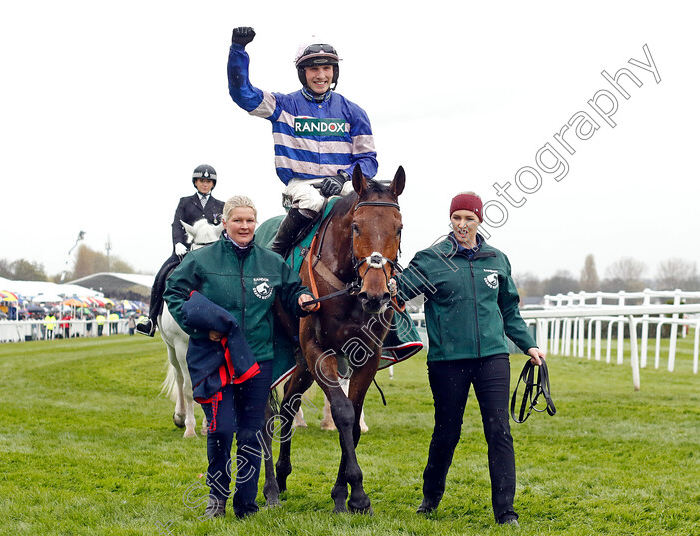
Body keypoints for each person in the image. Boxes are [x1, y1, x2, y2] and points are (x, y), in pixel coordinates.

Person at [393, 192, 546, 527]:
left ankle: (506, 512)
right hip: (448, 361)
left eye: (469, 218)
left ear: (479, 220)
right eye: (457, 218)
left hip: (493, 357)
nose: (462, 224)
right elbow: (395, 292)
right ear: (450, 220)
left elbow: (509, 310)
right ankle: (430, 497)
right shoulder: (431, 260)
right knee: (447, 432)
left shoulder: (497, 259)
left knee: (499, 430)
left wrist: (529, 345)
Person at [164, 195, 318, 519]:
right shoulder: (202, 260)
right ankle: (217, 499)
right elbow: (173, 293)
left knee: (252, 433)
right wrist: (201, 330)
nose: (245, 226)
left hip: (257, 360)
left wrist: (302, 297)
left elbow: (291, 290)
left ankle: (246, 505)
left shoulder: (269, 262)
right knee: (220, 430)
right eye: (238, 220)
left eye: (250, 220)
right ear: (225, 222)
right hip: (216, 359)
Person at [228, 27, 378, 257]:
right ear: (303, 73)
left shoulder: (354, 112)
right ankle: (276, 259)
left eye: (326, 68)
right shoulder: (282, 106)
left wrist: (343, 176)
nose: (321, 75)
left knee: (372, 203)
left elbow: (368, 160)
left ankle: (383, 269)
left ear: (334, 72)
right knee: (312, 202)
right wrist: (238, 50)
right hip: (301, 186)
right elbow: (242, 93)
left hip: (342, 183)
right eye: (313, 69)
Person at [136, 164, 226, 336]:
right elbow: (177, 224)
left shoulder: (220, 206)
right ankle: (151, 319)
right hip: (185, 251)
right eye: (202, 181)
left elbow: (225, 229)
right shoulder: (185, 202)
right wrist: (178, 243)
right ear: (196, 182)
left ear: (213, 184)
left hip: (214, 255)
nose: (205, 184)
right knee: (162, 275)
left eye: (208, 181)